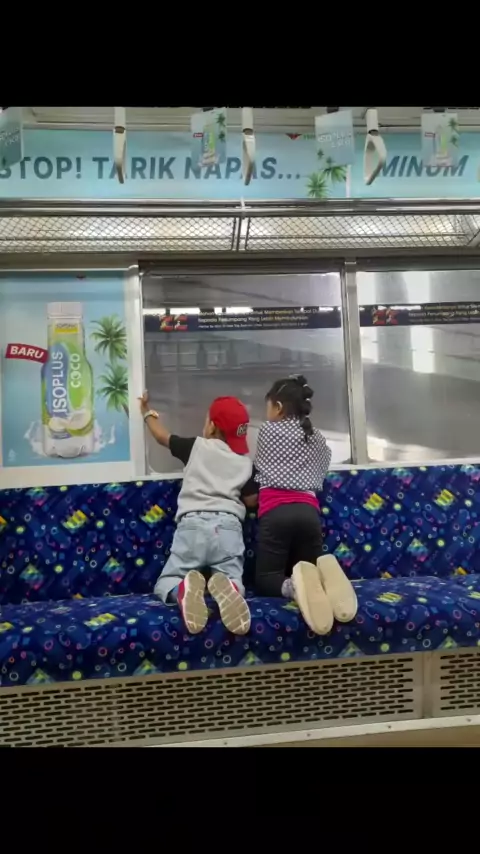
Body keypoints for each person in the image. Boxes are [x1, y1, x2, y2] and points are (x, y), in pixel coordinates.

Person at [140, 391, 257, 636]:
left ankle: (181, 590)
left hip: (192, 526)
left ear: (211, 426)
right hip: (228, 528)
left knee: (167, 580)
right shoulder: (245, 462)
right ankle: (230, 588)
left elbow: (161, 436)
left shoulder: (195, 447)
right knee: (233, 576)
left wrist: (146, 412)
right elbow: (251, 501)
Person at [253, 375, 357, 635]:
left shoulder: (267, 431)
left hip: (276, 512)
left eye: (269, 407)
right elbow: (323, 467)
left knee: (266, 578)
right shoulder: (317, 437)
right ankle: (324, 577)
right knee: (307, 568)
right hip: (308, 512)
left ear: (278, 407)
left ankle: (294, 588)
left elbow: (259, 466)